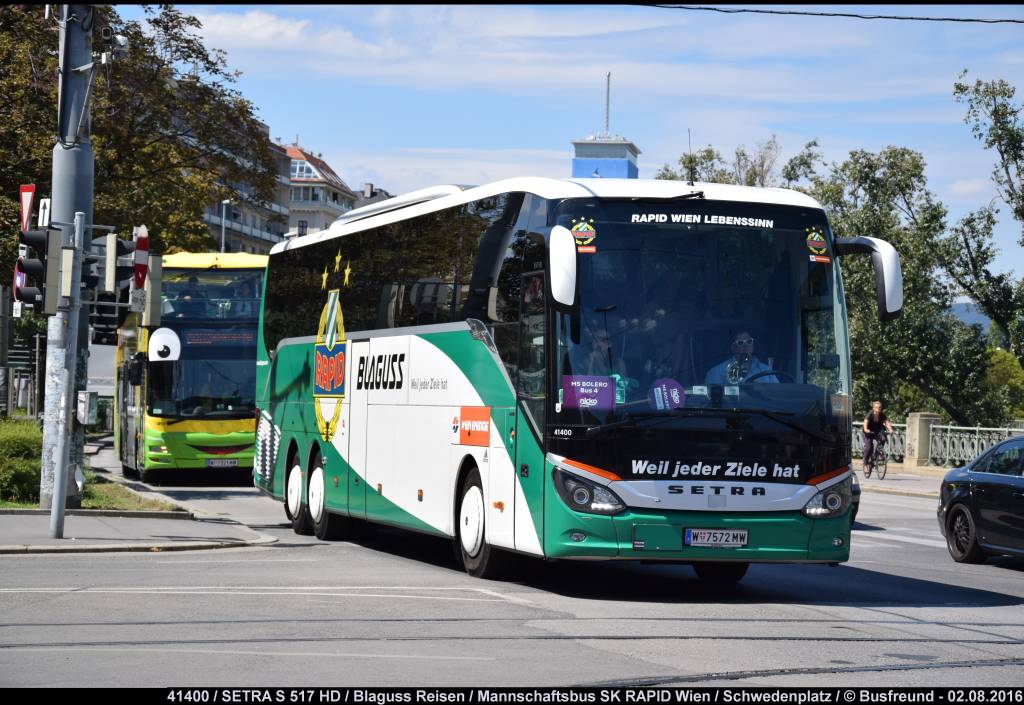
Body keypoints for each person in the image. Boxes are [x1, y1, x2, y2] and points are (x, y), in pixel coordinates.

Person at [704, 329, 778, 385]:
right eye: (740, 343)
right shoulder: (717, 372)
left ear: (753, 345)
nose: (746, 346)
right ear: (733, 347)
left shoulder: (767, 372)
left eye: (749, 341)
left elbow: (777, 397)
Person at [862, 400, 894, 476]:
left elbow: (886, 422)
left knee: (883, 438)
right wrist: (866, 429)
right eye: (876, 407)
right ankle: (865, 464)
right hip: (869, 432)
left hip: (877, 431)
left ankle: (879, 452)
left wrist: (890, 429)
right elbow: (865, 422)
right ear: (873, 408)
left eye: (879, 407)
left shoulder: (882, 415)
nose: (878, 409)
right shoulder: (870, 414)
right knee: (868, 447)